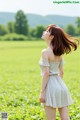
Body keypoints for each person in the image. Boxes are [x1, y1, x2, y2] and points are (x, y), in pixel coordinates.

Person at [38, 24, 79, 120]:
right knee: (65, 118)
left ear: (51, 37)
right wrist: (57, 84)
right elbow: (62, 72)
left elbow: (46, 73)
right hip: (61, 86)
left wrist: (42, 92)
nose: (44, 32)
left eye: (47, 31)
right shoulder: (59, 52)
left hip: (51, 87)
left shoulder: (45, 52)